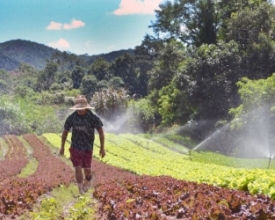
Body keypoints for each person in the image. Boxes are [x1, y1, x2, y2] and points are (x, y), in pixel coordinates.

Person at [59, 95, 105, 194]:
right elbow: (65, 132)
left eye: (81, 108)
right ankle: (80, 189)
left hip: (88, 147)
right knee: (78, 168)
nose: (79, 110)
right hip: (75, 147)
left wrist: (102, 148)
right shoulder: (72, 117)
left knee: (87, 170)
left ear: (86, 107)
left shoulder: (92, 117)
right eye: (78, 108)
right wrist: (62, 147)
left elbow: (101, 132)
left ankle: (88, 180)